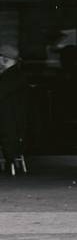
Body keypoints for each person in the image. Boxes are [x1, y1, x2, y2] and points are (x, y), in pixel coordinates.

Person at [0, 44, 25, 173]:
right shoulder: (15, 74)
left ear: (4, 59)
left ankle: (10, 162)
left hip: (9, 120)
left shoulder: (9, 77)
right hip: (13, 119)